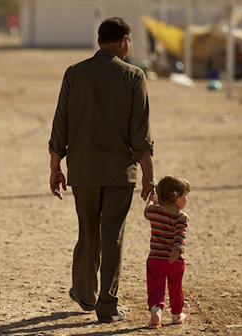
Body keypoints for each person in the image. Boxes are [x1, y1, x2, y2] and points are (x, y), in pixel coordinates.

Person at [48, 17, 156, 323]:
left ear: (99, 42)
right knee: (113, 238)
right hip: (119, 173)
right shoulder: (134, 76)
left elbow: (61, 124)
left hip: (83, 171)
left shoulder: (74, 74)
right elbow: (140, 134)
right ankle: (107, 306)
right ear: (123, 40)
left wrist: (56, 167)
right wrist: (149, 174)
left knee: (88, 232)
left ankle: (84, 292)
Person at [144, 175, 190, 329]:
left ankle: (156, 311)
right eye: (185, 196)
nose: (186, 200)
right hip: (174, 261)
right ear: (175, 197)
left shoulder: (154, 212)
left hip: (156, 259)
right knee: (175, 287)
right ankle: (177, 314)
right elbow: (180, 235)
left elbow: (147, 212)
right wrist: (177, 250)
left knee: (155, 285)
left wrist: (151, 200)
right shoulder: (181, 216)